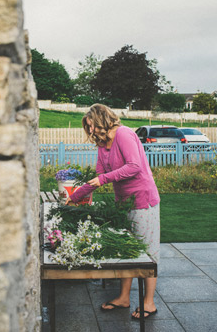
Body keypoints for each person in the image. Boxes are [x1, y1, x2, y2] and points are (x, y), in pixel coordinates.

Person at [66, 104, 160, 320]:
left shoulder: (124, 135)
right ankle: (124, 298)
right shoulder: (102, 144)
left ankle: (149, 302)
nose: (89, 131)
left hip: (143, 199)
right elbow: (99, 177)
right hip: (123, 202)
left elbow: (134, 166)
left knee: (148, 252)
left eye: (90, 126)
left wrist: (104, 178)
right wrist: (76, 196)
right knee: (127, 250)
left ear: (100, 120)